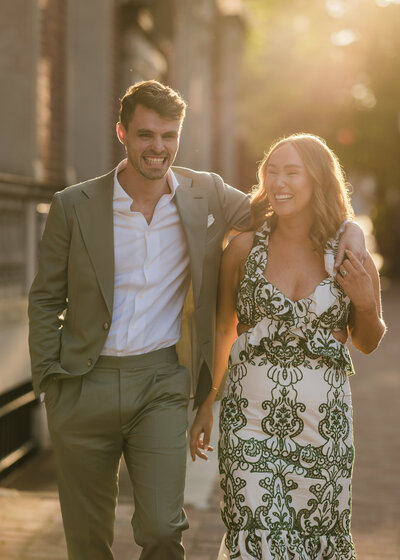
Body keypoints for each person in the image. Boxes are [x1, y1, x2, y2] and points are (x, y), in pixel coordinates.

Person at [28, 79, 365, 560]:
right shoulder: (73, 205)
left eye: (169, 135)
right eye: (146, 135)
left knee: (165, 530)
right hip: (84, 382)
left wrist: (351, 228)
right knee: (86, 541)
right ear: (122, 133)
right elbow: (44, 298)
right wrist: (50, 383)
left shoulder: (204, 193)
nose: (158, 148)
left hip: (162, 382)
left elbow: (280, 207)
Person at [190, 134, 386, 560]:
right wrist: (207, 400)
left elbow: (368, 342)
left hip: (325, 428)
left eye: (291, 172)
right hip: (250, 422)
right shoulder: (243, 248)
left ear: (317, 179)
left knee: (317, 537)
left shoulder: (348, 254)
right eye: (271, 172)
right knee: (254, 534)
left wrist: (367, 303)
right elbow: (225, 329)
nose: (278, 181)